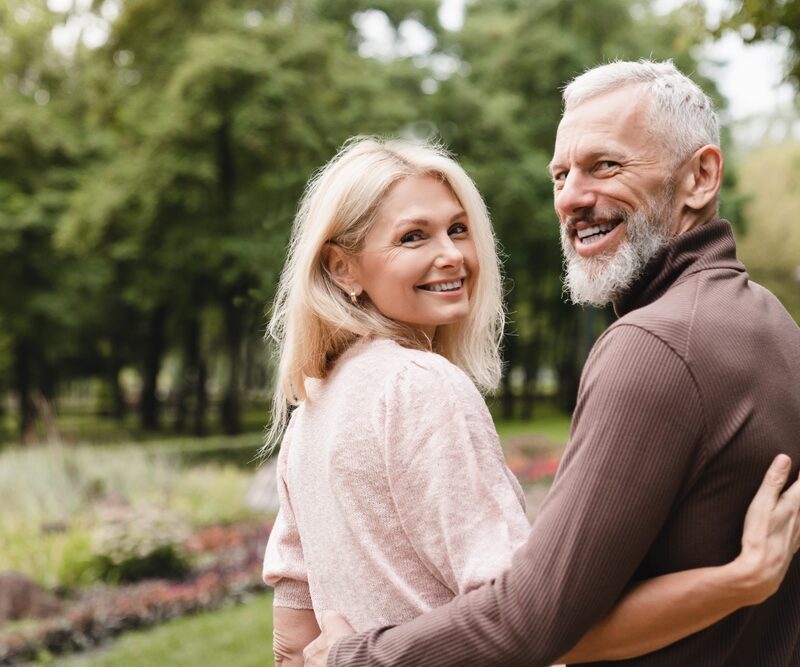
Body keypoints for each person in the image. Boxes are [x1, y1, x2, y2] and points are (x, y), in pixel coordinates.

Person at [304, 62, 800, 666]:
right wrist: (738, 581)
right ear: (341, 267)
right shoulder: (769, 320)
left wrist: (349, 659)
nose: (570, 197)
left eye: (605, 166)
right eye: (560, 175)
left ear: (700, 176)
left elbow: (532, 620)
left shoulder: (655, 344)